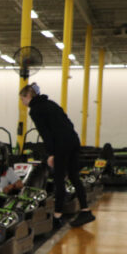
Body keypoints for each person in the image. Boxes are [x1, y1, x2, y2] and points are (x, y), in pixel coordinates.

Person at [20, 83, 95, 228]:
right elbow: (68, 123)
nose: (22, 102)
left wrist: (51, 153)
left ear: (28, 96)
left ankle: (57, 216)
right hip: (73, 141)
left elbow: (46, 134)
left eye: (22, 99)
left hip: (61, 145)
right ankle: (85, 210)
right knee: (74, 176)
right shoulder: (51, 104)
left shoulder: (35, 110)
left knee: (59, 179)